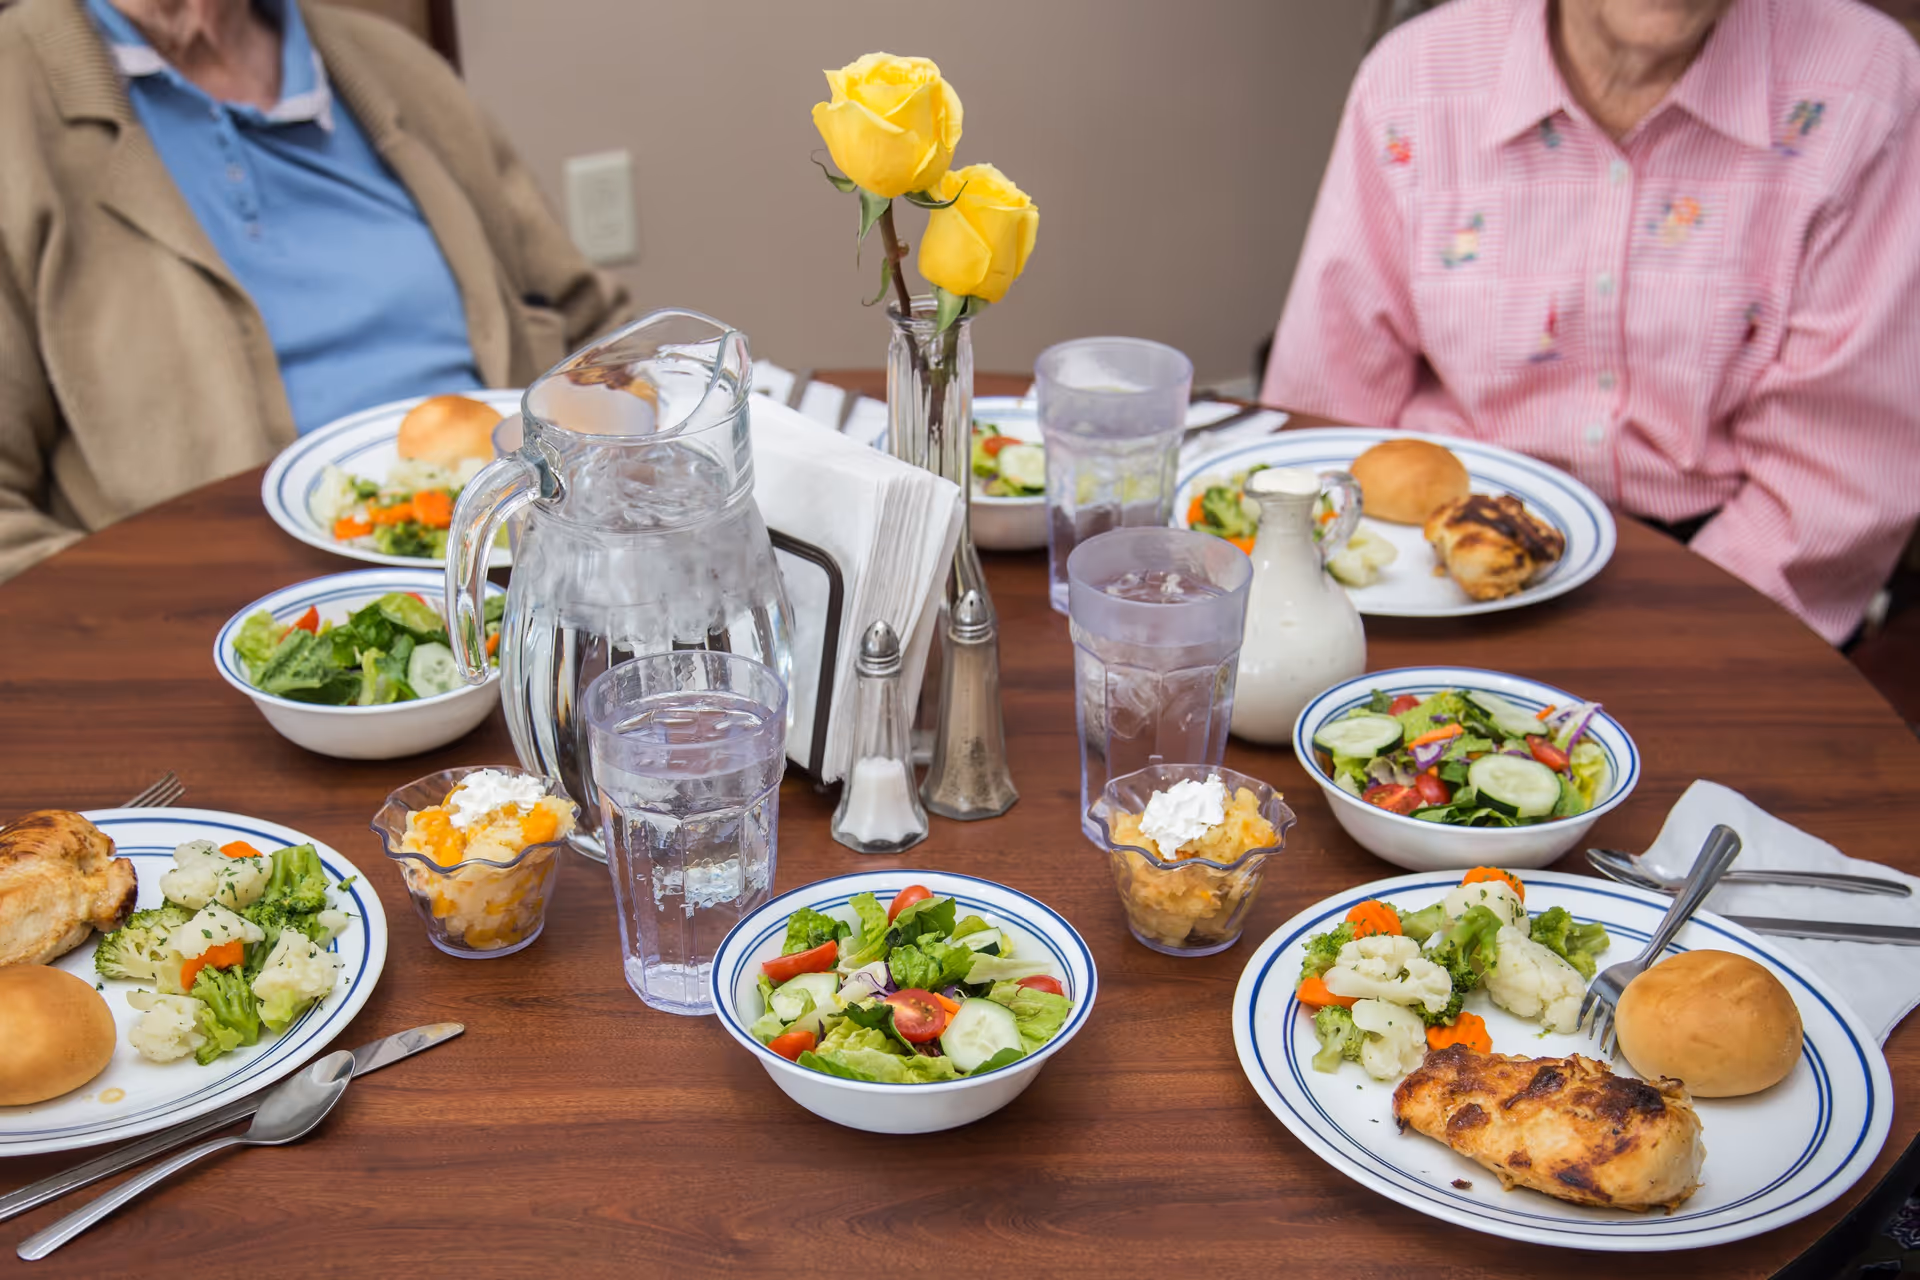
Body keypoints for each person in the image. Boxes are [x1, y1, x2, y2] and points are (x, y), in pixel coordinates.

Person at [1264, 0, 1920, 645]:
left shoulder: (1866, 85)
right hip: (1430, 562)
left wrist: (1657, 651)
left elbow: (1834, 479)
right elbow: (1324, 418)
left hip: (1716, 571)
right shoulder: (1411, 79)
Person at [0, 0, 631, 580]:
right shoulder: (17, 102)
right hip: (230, 640)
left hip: (530, 593)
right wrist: (174, 629)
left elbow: (603, 344)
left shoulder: (398, 68)